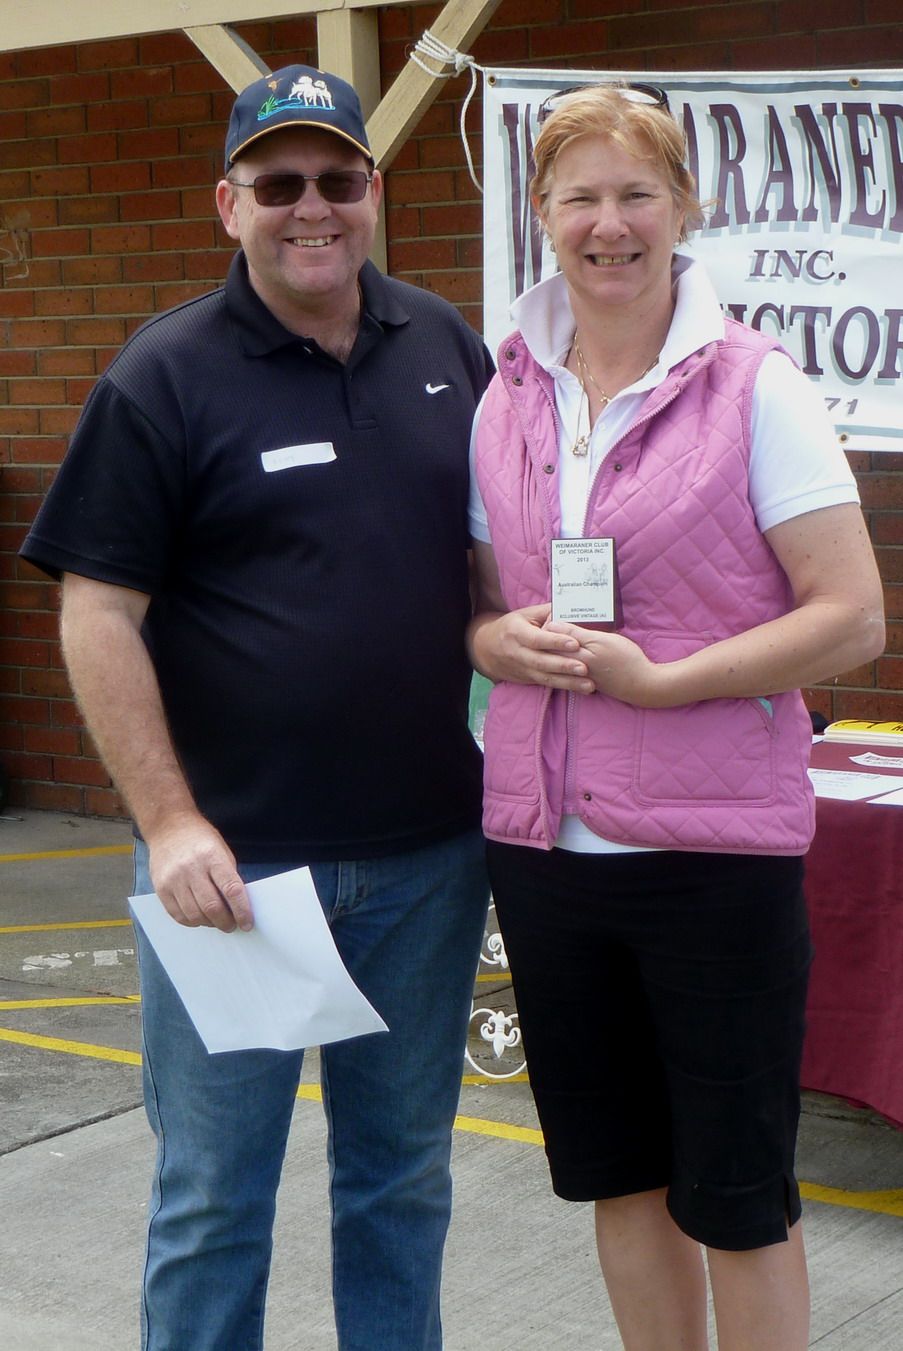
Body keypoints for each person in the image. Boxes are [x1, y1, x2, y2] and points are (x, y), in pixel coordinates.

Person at [21, 64, 493, 1351]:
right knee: (214, 1199)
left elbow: (487, 567)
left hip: (430, 863)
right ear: (229, 204)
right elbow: (96, 614)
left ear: (374, 191)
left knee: (402, 1181)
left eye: (337, 178)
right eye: (279, 184)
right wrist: (170, 823)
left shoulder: (447, 347)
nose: (311, 207)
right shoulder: (163, 375)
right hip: (239, 875)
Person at [467, 83, 885, 1351]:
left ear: (685, 208)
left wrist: (665, 681)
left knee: (740, 1194)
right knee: (618, 1176)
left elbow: (853, 616)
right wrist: (492, 641)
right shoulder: (507, 393)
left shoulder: (757, 387)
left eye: (637, 194)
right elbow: (481, 604)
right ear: (543, 214)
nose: (610, 224)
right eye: (581, 197)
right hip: (548, 853)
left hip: (711, 860)